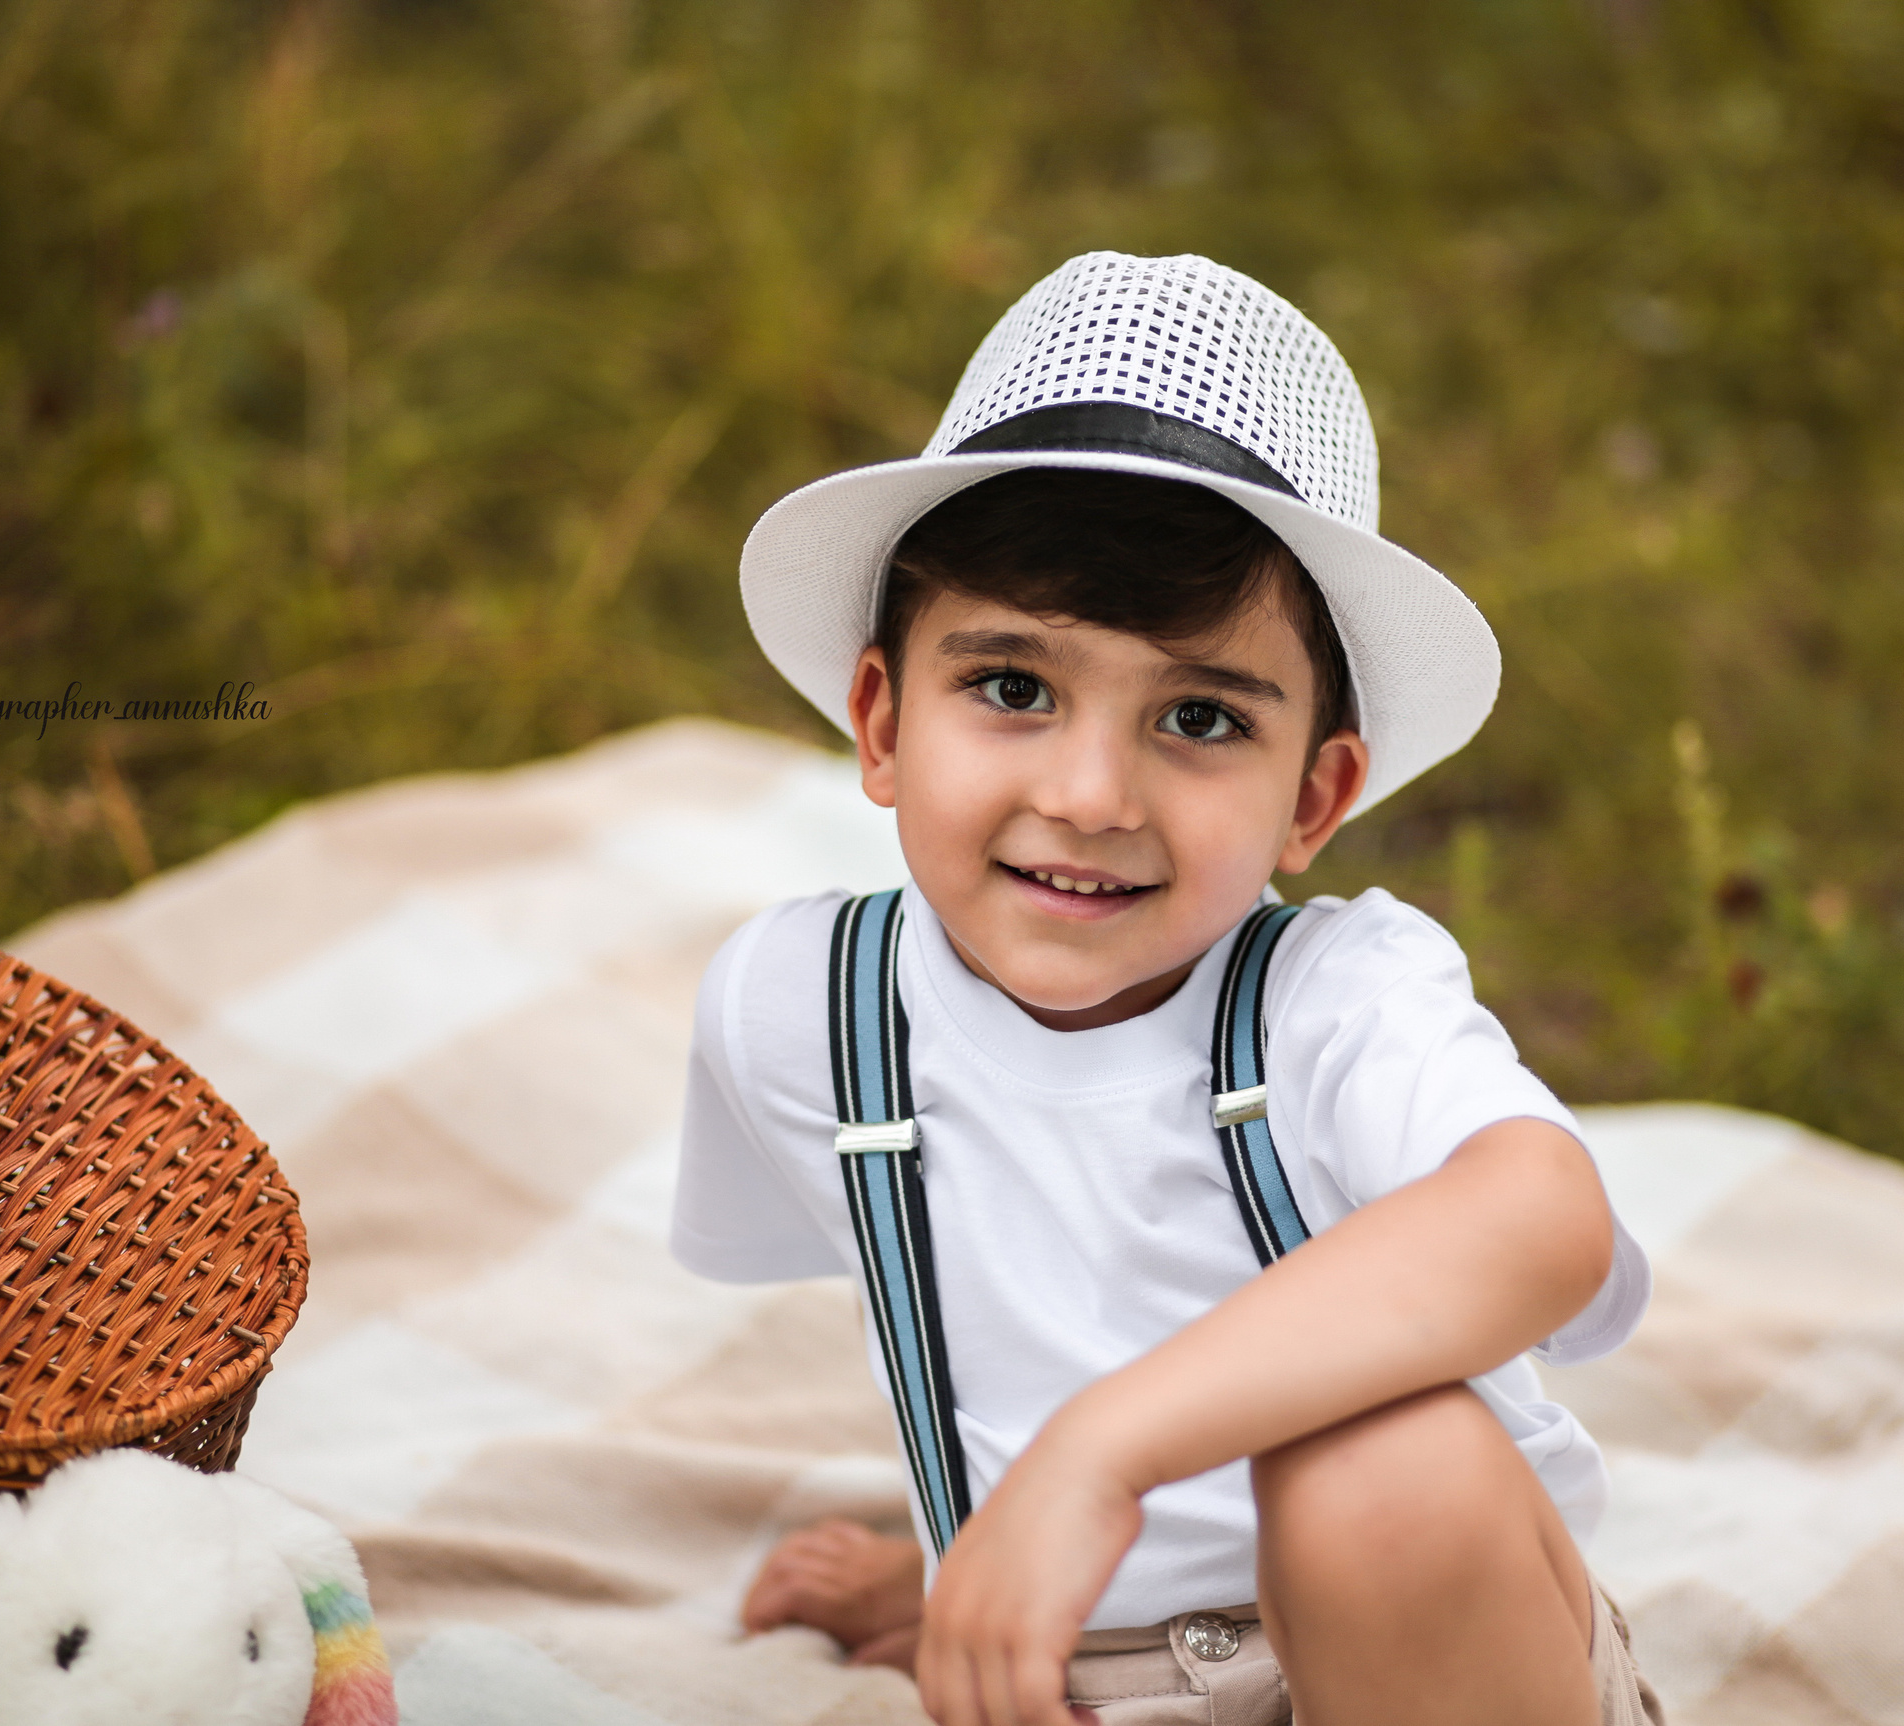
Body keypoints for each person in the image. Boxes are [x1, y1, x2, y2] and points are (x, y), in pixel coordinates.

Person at [672, 251, 1663, 1726]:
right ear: (880, 720)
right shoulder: (804, 1018)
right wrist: (964, 1548)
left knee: (1374, 1476)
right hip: (1072, 1686)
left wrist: (1101, 1454)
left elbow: (1544, 1219)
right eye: (1012, 686)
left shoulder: (1333, 1005)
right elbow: (1017, 1307)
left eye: (1198, 715)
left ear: (1315, 797)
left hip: (1414, 1663)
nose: (1088, 794)